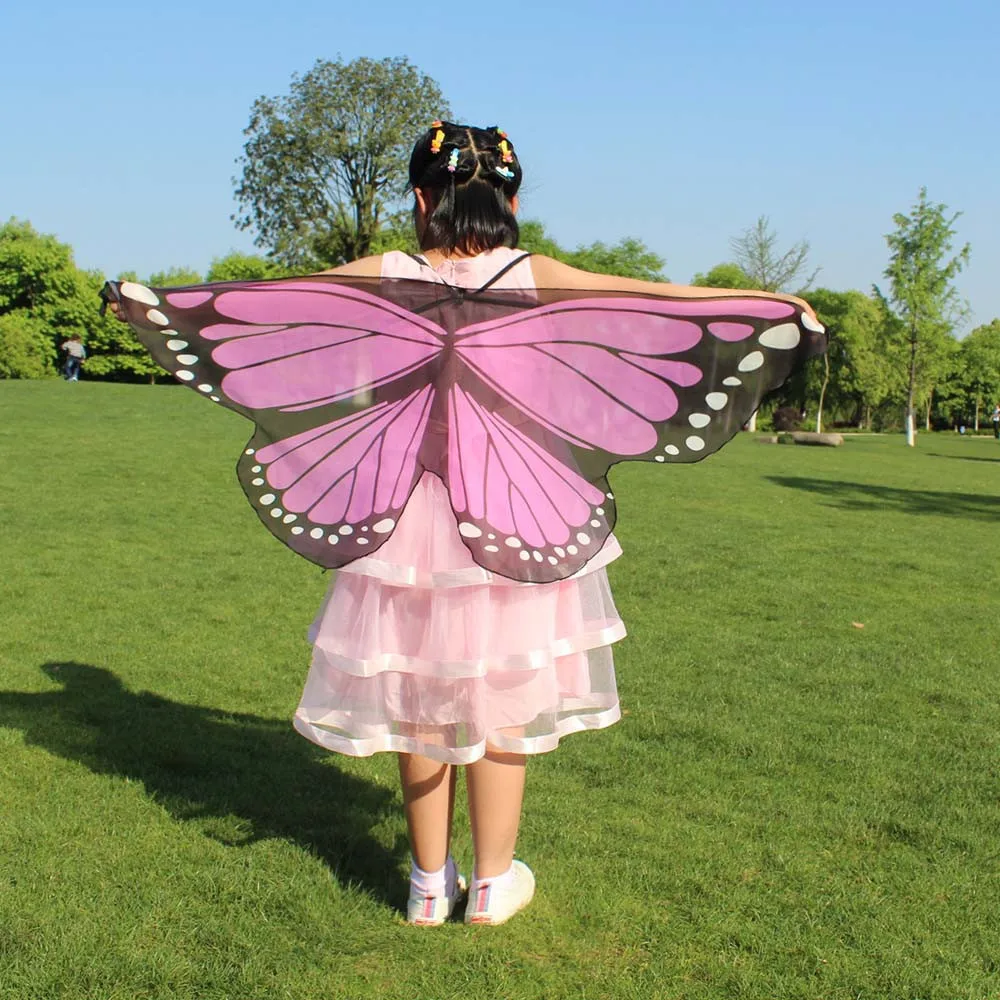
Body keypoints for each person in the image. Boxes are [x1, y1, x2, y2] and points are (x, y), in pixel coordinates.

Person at [288, 122, 818, 926]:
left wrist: (152, 306)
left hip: (406, 518)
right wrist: (769, 305)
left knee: (422, 695)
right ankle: (494, 885)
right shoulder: (531, 273)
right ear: (512, 201)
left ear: (421, 198)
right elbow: (653, 298)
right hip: (514, 508)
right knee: (500, 691)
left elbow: (274, 303)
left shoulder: (386, 274)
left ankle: (428, 886)